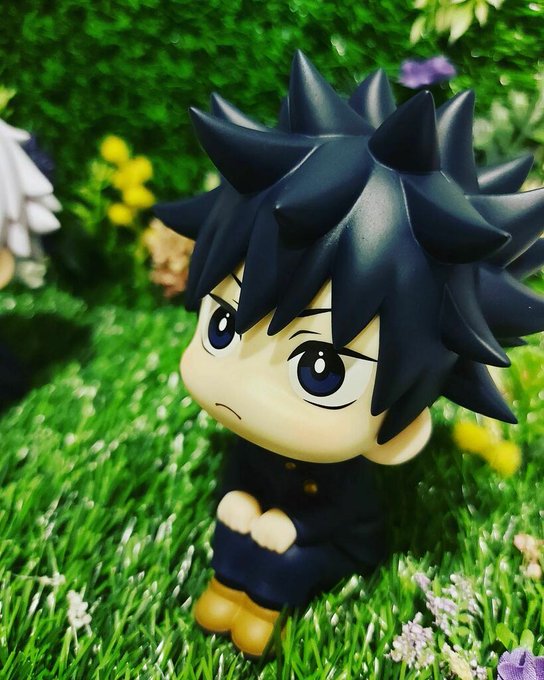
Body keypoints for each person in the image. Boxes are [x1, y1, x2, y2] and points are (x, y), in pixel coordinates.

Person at [155, 51, 544, 656]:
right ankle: (228, 588)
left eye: (322, 367)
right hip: (263, 520)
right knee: (230, 537)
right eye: (224, 324)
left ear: (401, 430)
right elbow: (241, 472)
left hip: (326, 540)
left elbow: (347, 512)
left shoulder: (348, 464)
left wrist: (293, 523)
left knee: (287, 562)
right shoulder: (252, 436)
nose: (242, 387)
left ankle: (262, 606)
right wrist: (239, 498)